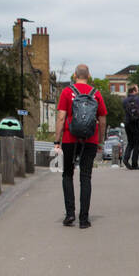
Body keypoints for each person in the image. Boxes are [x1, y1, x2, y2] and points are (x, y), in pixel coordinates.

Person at [53, 64, 107, 228]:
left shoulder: (67, 92)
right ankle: (84, 219)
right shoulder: (96, 93)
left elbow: (61, 118)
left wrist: (57, 141)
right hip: (90, 139)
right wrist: (100, 141)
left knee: (67, 175)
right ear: (89, 75)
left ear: (74, 75)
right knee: (85, 177)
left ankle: (70, 215)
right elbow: (103, 120)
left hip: (70, 139)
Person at [122, 84, 139, 169]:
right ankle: (134, 163)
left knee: (130, 142)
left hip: (127, 123)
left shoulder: (124, 100)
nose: (138, 91)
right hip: (136, 123)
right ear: (134, 91)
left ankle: (125, 158)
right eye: (137, 89)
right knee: (138, 143)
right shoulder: (137, 99)